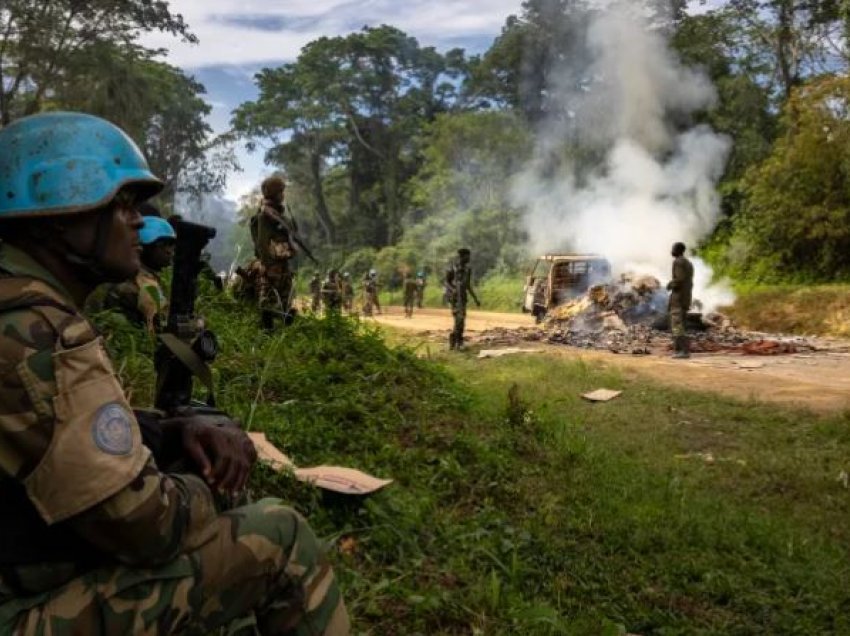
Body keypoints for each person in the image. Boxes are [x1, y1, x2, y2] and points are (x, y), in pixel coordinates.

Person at [0, 111, 349, 635]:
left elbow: (43, 428)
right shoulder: (42, 335)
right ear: (57, 216)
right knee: (277, 536)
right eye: (121, 204)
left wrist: (162, 430)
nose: (138, 222)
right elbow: (145, 527)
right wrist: (214, 486)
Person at [100, 213, 175, 333]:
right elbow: (163, 325)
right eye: (163, 245)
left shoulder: (139, 276)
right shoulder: (143, 282)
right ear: (143, 247)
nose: (169, 251)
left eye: (172, 245)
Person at [252, 175, 298, 328]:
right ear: (275, 193)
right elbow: (262, 242)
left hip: (281, 262)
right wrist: (265, 263)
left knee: (285, 296)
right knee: (268, 299)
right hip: (271, 263)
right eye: (281, 191)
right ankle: (267, 331)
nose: (283, 194)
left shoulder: (277, 214)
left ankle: (284, 327)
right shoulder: (265, 215)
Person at [445, 248, 481, 350]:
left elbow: (468, 285)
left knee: (461, 320)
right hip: (454, 298)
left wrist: (475, 298)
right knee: (459, 319)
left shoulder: (468, 270)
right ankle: (457, 341)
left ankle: (455, 341)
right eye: (467, 256)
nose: (469, 258)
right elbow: (446, 282)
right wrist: (453, 290)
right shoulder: (452, 268)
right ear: (462, 257)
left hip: (463, 298)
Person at [667, 241, 694, 359]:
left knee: (677, 325)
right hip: (686, 297)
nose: (671, 251)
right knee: (681, 324)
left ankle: (683, 351)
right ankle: (679, 350)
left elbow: (679, 279)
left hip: (678, 299)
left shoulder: (678, 262)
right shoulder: (688, 263)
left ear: (678, 250)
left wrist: (670, 284)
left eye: (673, 248)